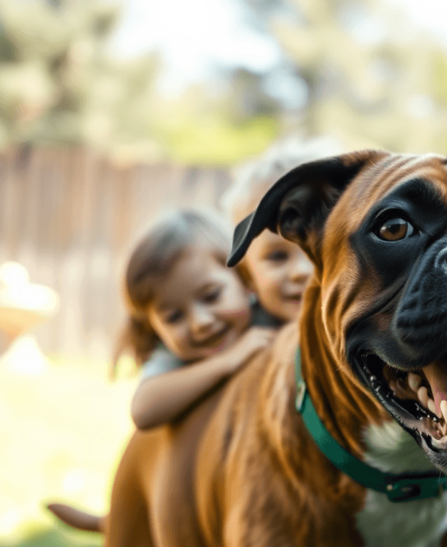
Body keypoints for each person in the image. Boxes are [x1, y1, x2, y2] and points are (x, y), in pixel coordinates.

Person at [114, 209, 275, 430]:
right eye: (174, 317)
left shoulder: (271, 315)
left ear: (243, 278)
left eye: (211, 296)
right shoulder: (174, 358)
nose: (200, 322)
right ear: (154, 328)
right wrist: (226, 362)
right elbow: (143, 411)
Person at [220, 136, 342, 323]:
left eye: (323, 247)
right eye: (278, 256)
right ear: (247, 277)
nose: (303, 271)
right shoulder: (245, 341)